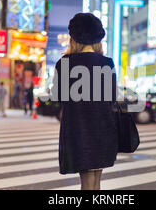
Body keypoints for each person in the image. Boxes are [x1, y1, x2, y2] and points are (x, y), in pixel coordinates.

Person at [52, 13, 118, 190]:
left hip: (78, 128)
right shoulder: (107, 63)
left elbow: (58, 97)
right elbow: (112, 97)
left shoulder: (64, 63)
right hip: (104, 127)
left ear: (73, 38)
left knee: (86, 181)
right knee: (96, 180)